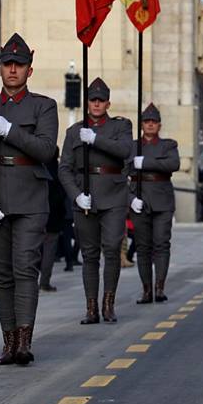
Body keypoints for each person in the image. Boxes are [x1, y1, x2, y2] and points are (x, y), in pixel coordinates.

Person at [0, 33, 59, 365]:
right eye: (8, 64)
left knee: (25, 269)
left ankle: (23, 341)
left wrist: (9, 131)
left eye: (20, 65)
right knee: (2, 275)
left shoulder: (44, 106)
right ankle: (7, 342)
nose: (13, 70)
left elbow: (47, 150)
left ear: (30, 70)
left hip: (31, 198)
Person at [59, 77, 132, 324]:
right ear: (87, 102)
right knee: (89, 254)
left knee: (111, 248)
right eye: (93, 100)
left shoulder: (122, 127)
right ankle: (91, 307)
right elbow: (64, 168)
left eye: (101, 100)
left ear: (108, 103)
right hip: (85, 195)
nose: (97, 104)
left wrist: (95, 140)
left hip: (113, 194)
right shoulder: (73, 132)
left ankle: (108, 303)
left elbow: (125, 151)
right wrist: (76, 195)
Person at [128, 102, 180, 304]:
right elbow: (123, 173)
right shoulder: (132, 146)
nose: (150, 124)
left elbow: (173, 164)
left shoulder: (168, 145)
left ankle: (159, 287)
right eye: (147, 121)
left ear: (159, 125)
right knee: (142, 247)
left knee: (161, 244)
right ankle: (146, 290)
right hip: (139, 197)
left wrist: (146, 163)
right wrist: (130, 199)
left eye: (154, 122)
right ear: (142, 124)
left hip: (162, 199)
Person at [39, 149, 68, 292]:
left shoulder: (39, 167)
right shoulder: (57, 172)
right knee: (49, 250)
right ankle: (44, 281)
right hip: (53, 217)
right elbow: (62, 194)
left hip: (36, 215)